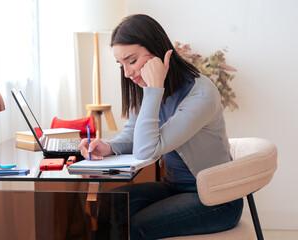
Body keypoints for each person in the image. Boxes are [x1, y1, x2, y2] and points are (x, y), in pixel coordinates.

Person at [79, 14, 243, 240]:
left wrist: (153, 90)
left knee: (137, 226)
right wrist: (108, 147)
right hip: (173, 188)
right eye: (121, 65)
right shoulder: (149, 87)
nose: (127, 73)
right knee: (108, 205)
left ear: (156, 49)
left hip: (216, 198)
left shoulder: (201, 94)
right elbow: (132, 132)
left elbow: (146, 150)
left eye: (132, 61)